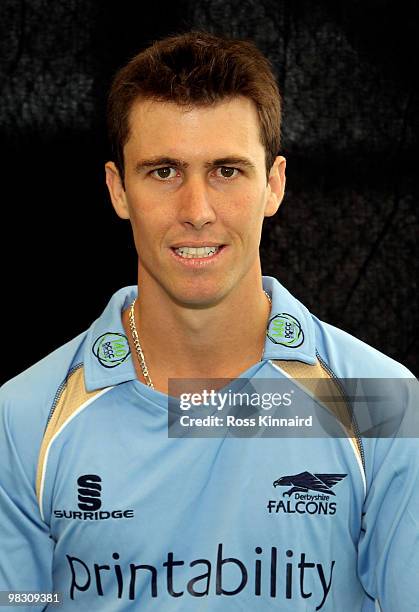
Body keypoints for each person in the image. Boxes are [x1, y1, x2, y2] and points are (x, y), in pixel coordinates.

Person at [0, 31, 418, 611]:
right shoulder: (23, 418)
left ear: (273, 184)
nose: (196, 211)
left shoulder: (382, 401)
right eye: (164, 172)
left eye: (226, 171)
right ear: (118, 189)